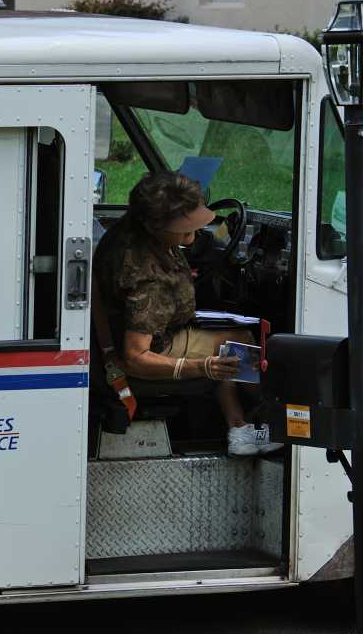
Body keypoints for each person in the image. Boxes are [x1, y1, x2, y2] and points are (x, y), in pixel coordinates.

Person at [93, 170, 281, 456]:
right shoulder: (147, 279)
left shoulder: (128, 231)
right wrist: (203, 366)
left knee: (230, 335)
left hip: (154, 328)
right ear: (156, 227)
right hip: (154, 347)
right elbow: (135, 358)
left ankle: (243, 423)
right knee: (240, 343)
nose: (192, 239)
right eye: (184, 231)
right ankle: (248, 428)